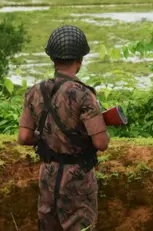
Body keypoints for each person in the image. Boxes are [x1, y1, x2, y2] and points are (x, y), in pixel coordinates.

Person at [17, 25, 110, 231]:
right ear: (79, 61)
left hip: (48, 175)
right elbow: (101, 143)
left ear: (53, 59)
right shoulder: (83, 94)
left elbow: (24, 137)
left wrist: (44, 137)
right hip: (77, 179)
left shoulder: (35, 91)